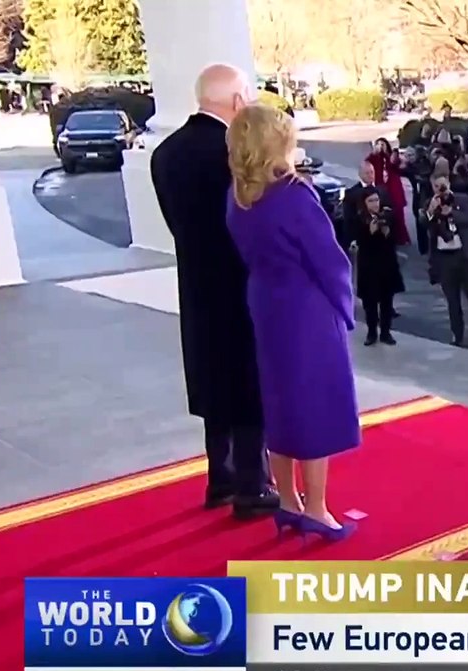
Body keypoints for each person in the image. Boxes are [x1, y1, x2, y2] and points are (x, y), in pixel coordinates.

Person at [225, 104, 360, 542]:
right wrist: (344, 306)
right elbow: (329, 260)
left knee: (279, 403)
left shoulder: (239, 193)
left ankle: (287, 501)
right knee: (314, 406)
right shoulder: (293, 194)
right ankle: (317, 510)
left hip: (265, 302)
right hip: (306, 309)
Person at [149, 63, 278, 519]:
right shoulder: (232, 153)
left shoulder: (164, 153)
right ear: (238, 100)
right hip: (241, 283)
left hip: (196, 282)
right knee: (246, 382)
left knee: (210, 377)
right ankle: (252, 485)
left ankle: (220, 478)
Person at [425, 173, 468, 346]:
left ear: (449, 184)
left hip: (465, 256)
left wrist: (451, 211)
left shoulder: (463, 199)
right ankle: (457, 334)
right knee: (452, 301)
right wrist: (432, 211)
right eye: (437, 187)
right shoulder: (430, 204)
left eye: (443, 186)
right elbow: (425, 224)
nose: (441, 190)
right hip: (445, 259)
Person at [353, 187, 405, 347]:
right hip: (369, 266)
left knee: (387, 301)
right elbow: (358, 240)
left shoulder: (388, 214)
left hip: (386, 264)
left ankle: (385, 332)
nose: (375, 204)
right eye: (371, 201)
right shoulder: (359, 218)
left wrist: (386, 230)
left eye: (376, 200)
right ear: (364, 203)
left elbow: (396, 236)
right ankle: (371, 332)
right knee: (370, 303)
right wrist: (369, 231)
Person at [366, 138, 410, 245]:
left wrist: (392, 157)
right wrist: (374, 153)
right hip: (381, 188)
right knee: (384, 214)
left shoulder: (391, 156)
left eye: (383, 144)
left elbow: (398, 166)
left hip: (394, 188)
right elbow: (367, 164)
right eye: (378, 144)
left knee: (398, 214)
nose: (381, 146)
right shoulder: (374, 158)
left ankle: (402, 238)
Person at [343, 161, 391, 248]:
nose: (370, 175)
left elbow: (390, 209)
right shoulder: (351, 194)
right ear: (360, 175)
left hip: (382, 238)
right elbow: (348, 219)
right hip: (361, 240)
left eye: (372, 172)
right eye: (367, 173)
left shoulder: (382, 190)